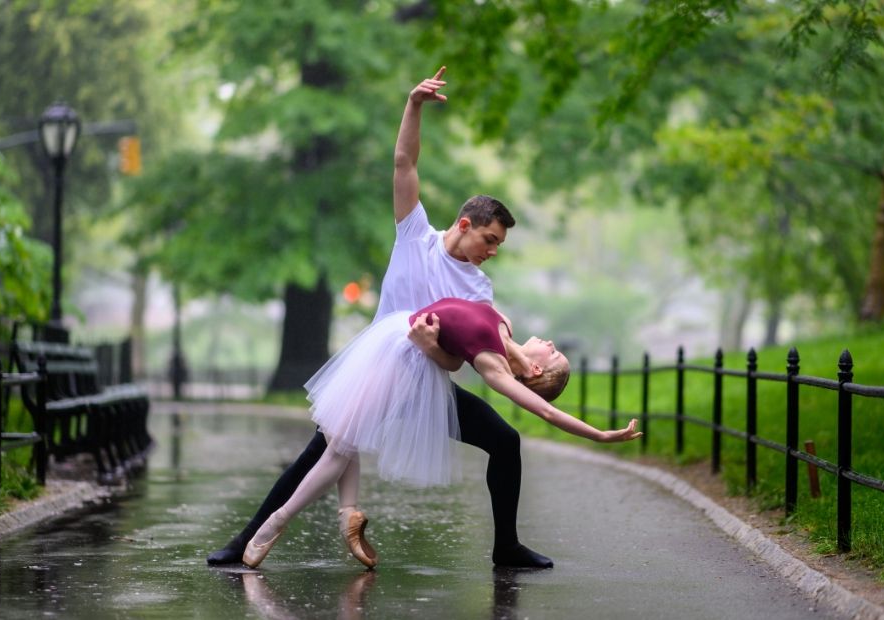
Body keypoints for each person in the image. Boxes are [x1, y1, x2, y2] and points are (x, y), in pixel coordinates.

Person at [206, 66, 550, 569]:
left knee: (505, 440)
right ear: (464, 225)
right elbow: (403, 161)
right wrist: (413, 104)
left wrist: (473, 353)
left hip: (428, 384)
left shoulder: (479, 288)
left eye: (498, 245)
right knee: (321, 452)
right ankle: (245, 541)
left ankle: (506, 547)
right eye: (490, 240)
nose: (492, 251)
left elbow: (466, 360)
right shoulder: (415, 235)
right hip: (379, 373)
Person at [240, 297, 643, 569]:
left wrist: (601, 435)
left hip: (401, 366)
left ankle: (275, 523)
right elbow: (452, 345)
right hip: (393, 342)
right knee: (341, 437)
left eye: (553, 353)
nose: (551, 342)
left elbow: (547, 412)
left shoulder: (494, 366)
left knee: (339, 447)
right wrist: (437, 349)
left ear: (535, 371)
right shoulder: (504, 325)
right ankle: (348, 515)